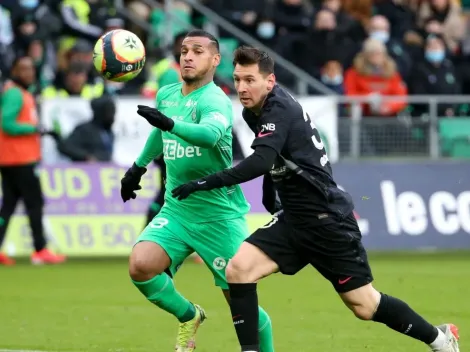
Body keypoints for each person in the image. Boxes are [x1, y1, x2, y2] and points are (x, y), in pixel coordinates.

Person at [170, 46, 460, 352]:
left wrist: (205, 183)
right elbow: (274, 161)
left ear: (270, 81)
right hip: (294, 218)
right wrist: (273, 200)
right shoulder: (252, 111)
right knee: (238, 270)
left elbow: (258, 162)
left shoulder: (279, 108)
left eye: (250, 80)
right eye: (238, 80)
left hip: (327, 220)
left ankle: (440, 339)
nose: (242, 88)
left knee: (364, 305)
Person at [120, 30, 274, 352]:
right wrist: (138, 166)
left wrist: (169, 125)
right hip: (177, 208)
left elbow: (208, 135)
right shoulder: (167, 94)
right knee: (141, 265)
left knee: (241, 304)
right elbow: (159, 134)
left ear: (215, 60)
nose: (188, 56)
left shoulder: (216, 99)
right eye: (184, 50)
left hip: (218, 214)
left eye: (198, 51)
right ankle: (189, 316)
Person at [0, 55, 66, 266]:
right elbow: (7, 124)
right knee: (35, 203)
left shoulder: (19, 92)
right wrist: (36, 129)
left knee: (8, 206)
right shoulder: (15, 94)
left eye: (30, 69)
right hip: (20, 159)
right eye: (23, 69)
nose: (29, 73)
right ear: (14, 71)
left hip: (12, 158)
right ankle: (40, 249)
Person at [58, 95, 116, 162]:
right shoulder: (85, 130)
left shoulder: (108, 132)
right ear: (100, 112)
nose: (112, 116)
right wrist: (86, 156)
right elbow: (64, 147)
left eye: (113, 113)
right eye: (109, 112)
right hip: (85, 170)